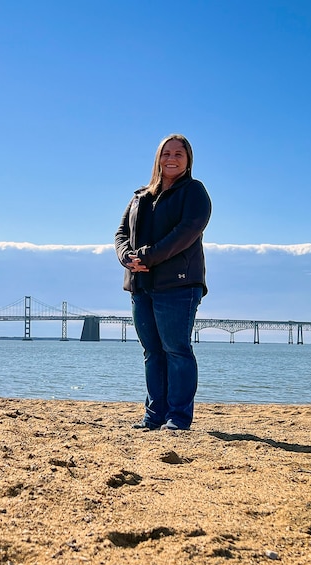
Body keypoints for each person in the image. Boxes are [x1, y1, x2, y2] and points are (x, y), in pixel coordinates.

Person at [114, 134, 211, 431]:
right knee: (152, 353)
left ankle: (178, 418)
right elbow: (120, 234)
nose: (171, 158)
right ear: (158, 158)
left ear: (188, 159)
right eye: (166, 153)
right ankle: (154, 416)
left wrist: (149, 256)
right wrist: (127, 257)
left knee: (177, 350)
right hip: (142, 285)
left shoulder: (194, 192)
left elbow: (187, 231)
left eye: (178, 154)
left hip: (178, 285)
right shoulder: (140, 196)